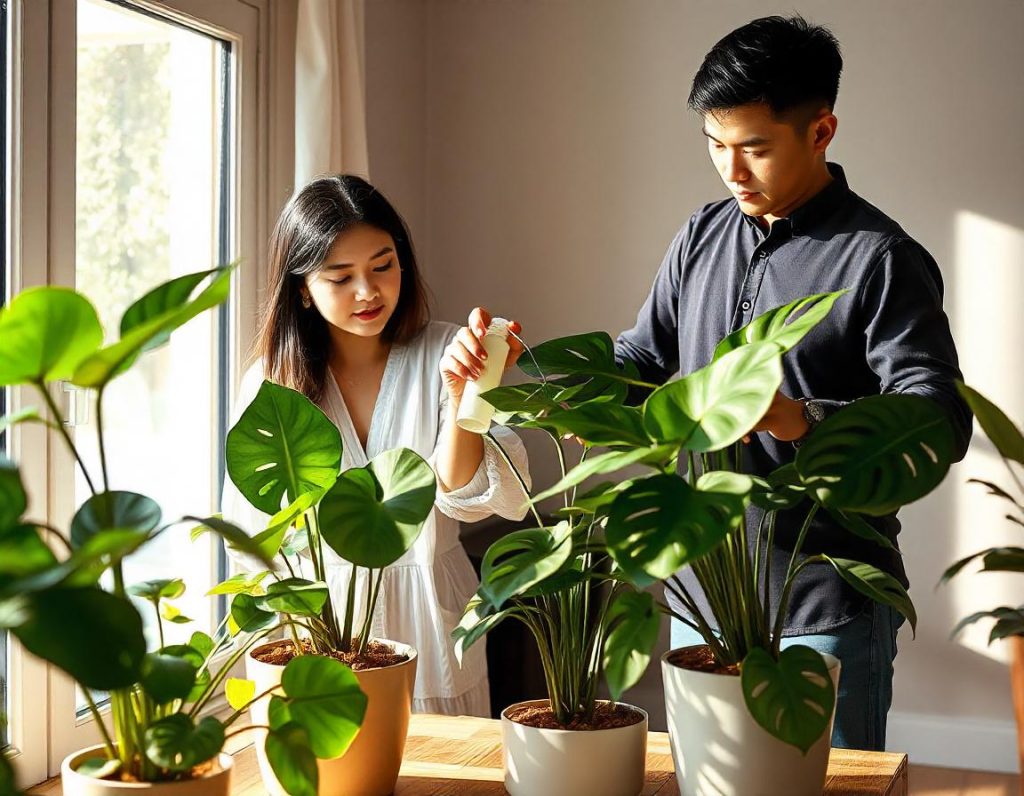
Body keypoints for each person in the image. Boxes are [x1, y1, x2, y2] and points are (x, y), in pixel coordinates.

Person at [614, 15, 971, 750]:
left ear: (821, 130)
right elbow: (639, 362)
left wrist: (797, 417)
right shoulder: (700, 235)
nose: (731, 171)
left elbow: (937, 420)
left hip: (825, 603)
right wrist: (523, 370)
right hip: (703, 592)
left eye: (754, 149)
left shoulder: (882, 259)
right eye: (715, 146)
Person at [222, 174, 531, 717]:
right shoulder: (273, 385)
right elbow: (256, 537)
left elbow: (464, 494)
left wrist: (466, 399)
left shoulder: (446, 350)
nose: (368, 292)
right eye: (340, 277)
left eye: (383, 266)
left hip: (433, 620)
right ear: (302, 288)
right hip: (319, 628)